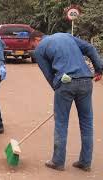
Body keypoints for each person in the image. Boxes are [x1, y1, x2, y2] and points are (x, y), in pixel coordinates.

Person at [32, 32, 103, 171]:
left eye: (32, 44)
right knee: (87, 122)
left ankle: (58, 161)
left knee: (61, 123)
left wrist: (58, 90)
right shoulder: (66, 36)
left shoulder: (39, 49)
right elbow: (89, 48)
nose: (33, 48)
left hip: (65, 83)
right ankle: (85, 162)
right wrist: (99, 69)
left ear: (36, 39)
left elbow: (48, 74)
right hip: (85, 80)